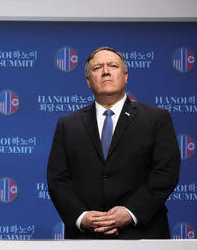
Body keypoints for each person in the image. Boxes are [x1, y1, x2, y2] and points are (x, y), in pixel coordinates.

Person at [47, 47, 180, 239]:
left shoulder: (156, 118)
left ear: (125, 76)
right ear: (88, 82)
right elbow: (57, 179)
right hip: (86, 238)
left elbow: (166, 172)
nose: (106, 71)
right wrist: (81, 216)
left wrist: (130, 212)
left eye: (113, 66)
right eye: (97, 68)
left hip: (143, 234)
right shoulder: (67, 124)